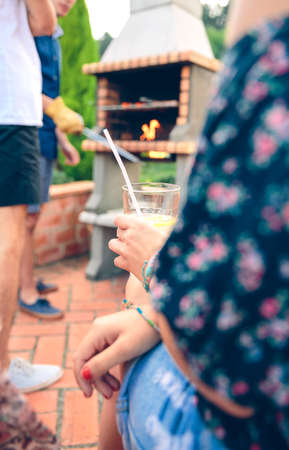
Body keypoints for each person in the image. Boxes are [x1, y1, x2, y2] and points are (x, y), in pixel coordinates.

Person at [74, 0, 289, 449]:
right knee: (142, 310)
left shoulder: (271, 41)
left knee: (134, 295)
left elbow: (228, 361)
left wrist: (154, 273)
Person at [0, 0, 83, 394]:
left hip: (24, 116)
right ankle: (1, 373)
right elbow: (43, 21)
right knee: (11, 235)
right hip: (12, 111)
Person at [18, 0, 79, 320]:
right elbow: (24, 82)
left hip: (45, 137)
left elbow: (49, 94)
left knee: (32, 217)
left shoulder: (53, 37)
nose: (69, 1)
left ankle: (25, 277)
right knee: (26, 219)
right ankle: (25, 290)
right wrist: (56, 110)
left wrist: (63, 139)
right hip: (27, 132)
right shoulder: (31, 26)